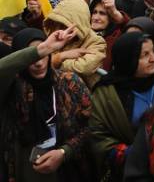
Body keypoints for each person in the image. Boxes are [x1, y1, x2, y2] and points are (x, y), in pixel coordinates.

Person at [0, 26, 93, 182]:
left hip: (67, 169)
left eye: (45, 55)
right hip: (24, 169)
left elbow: (92, 125)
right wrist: (42, 49)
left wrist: (64, 152)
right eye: (33, 57)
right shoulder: (11, 87)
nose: (39, 63)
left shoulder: (69, 82)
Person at [89, 31, 154, 178]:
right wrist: (130, 154)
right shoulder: (106, 93)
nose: (153, 59)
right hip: (129, 171)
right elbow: (98, 135)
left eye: (153, 52)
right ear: (128, 59)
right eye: (144, 55)